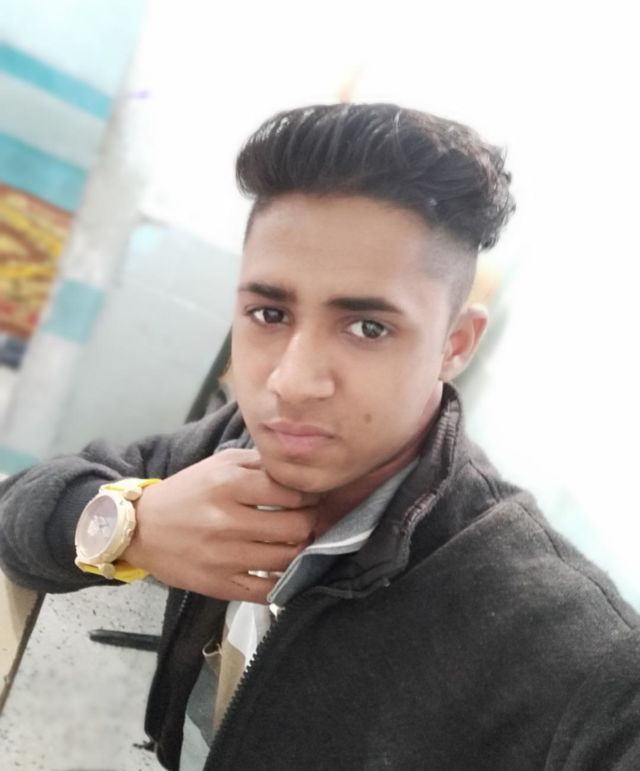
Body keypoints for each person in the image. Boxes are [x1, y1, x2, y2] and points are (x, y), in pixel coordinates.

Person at [1, 103, 639, 771]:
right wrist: (133, 526)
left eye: (368, 327)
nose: (292, 381)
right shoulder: (231, 445)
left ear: (455, 344)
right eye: (269, 313)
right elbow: (21, 508)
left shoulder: (569, 647)